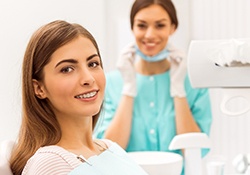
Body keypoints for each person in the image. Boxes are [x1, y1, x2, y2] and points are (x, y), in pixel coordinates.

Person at [9, 20, 148, 175]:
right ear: (39, 88)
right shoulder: (50, 164)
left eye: (93, 64)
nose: (88, 78)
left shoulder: (110, 148)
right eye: (67, 69)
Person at [95, 0, 212, 158]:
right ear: (132, 28)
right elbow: (108, 154)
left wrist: (179, 90)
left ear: (173, 27)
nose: (150, 35)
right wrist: (128, 88)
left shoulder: (193, 83)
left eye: (160, 25)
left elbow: (196, 152)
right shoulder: (111, 84)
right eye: (142, 26)